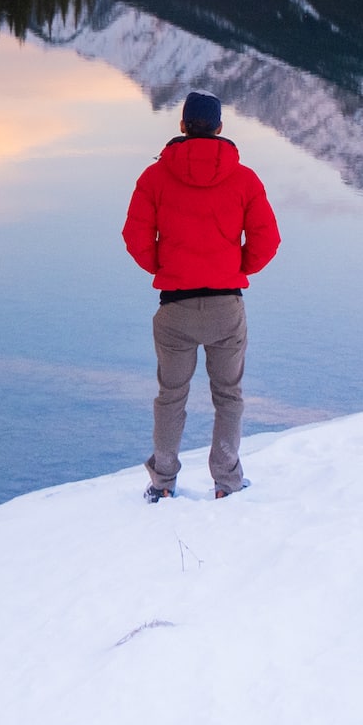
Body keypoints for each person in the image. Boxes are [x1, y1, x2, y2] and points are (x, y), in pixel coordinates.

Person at [122, 90, 280, 501]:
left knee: (170, 397)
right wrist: (237, 268)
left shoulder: (154, 178)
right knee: (228, 396)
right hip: (226, 306)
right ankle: (226, 482)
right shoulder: (245, 179)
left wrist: (164, 268)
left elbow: (135, 237)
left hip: (175, 307)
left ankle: (162, 484)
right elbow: (267, 240)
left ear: (182, 126)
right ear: (220, 129)